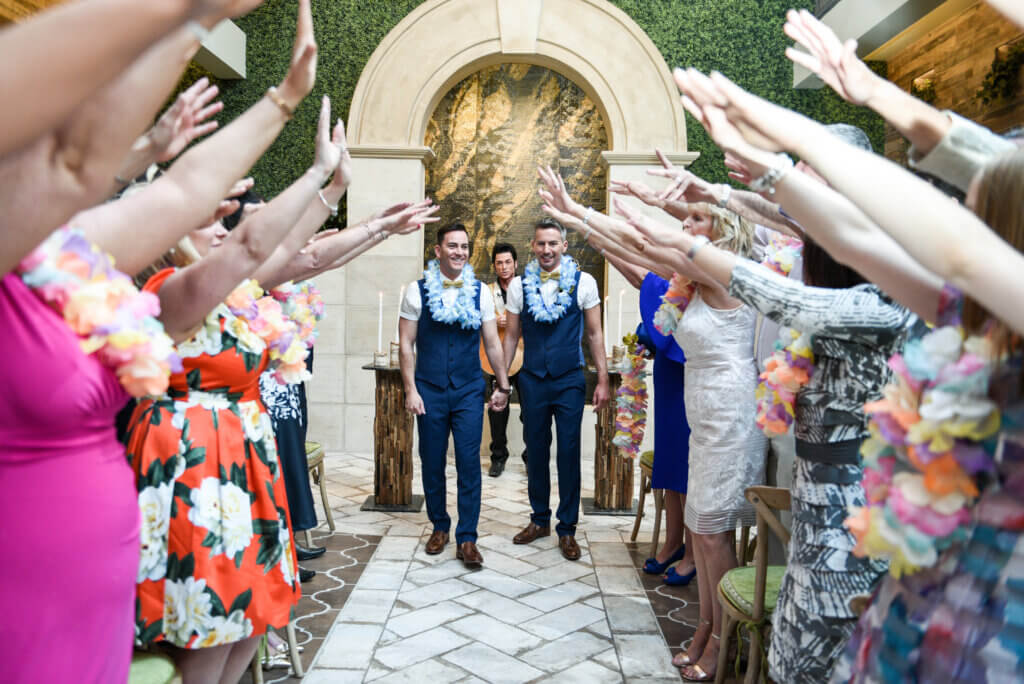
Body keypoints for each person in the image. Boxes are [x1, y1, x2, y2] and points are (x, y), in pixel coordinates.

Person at [537, 168, 764, 680]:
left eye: (698, 219)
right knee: (703, 532)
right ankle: (706, 629)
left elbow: (647, 247)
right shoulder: (694, 282)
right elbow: (643, 260)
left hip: (730, 411)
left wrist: (578, 213)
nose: (689, 227)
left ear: (725, 229)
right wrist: (579, 217)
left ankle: (722, 645)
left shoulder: (724, 269)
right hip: (700, 406)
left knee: (710, 532)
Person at [399, 223, 510, 567]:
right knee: (432, 462)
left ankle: (468, 538)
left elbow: (492, 343)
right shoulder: (417, 292)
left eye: (464, 246)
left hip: (467, 391)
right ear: (437, 251)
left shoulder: (481, 293)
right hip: (429, 391)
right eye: (452, 246)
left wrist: (503, 385)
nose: (459, 252)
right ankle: (439, 526)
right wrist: (411, 390)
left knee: (468, 465)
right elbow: (406, 344)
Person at [501, 218, 611, 561]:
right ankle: (539, 520)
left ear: (564, 246)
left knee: (568, 452)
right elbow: (511, 337)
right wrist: (503, 380)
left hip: (569, 380)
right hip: (531, 379)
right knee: (535, 451)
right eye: (540, 244)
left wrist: (603, 379)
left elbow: (594, 334)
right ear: (533, 247)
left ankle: (567, 529)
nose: (546, 250)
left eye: (553, 243)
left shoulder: (585, 283)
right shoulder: (519, 286)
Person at [598, 246, 696, 585]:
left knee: (689, 464)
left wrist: (600, 238)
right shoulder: (671, 273)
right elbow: (650, 280)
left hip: (695, 372)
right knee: (671, 459)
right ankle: (673, 542)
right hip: (670, 373)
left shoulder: (705, 266)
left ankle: (695, 551)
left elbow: (645, 278)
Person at [485, 242, 525, 477]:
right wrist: (492, 321)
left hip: (524, 355)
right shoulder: (488, 291)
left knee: (530, 410)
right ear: (494, 266)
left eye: (508, 262)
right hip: (496, 358)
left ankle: (531, 458)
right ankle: (498, 457)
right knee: (497, 411)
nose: (504, 266)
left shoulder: (527, 288)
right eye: (499, 262)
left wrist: (513, 322)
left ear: (516, 263)